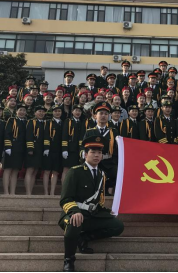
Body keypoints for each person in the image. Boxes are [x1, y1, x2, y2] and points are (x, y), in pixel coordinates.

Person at [59, 135, 124, 272]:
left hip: (91, 215)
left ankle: (84, 238)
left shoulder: (101, 174)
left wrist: (107, 212)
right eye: (93, 152)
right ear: (85, 154)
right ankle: (69, 260)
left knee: (117, 225)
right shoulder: (75, 172)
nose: (96, 155)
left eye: (99, 152)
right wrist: (75, 211)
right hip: (74, 212)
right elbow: (65, 198)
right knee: (74, 222)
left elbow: (97, 201)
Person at [83, 102, 119, 195]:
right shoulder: (90, 132)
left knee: (116, 172)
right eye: (101, 113)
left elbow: (117, 149)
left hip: (109, 163)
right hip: (94, 162)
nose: (103, 116)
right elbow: (83, 148)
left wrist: (107, 157)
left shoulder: (113, 132)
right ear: (95, 116)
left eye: (106, 114)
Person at [3, 103, 28, 195]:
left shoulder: (26, 122)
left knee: (15, 171)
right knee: (8, 170)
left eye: (24, 110)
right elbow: (7, 134)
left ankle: (12, 192)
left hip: (21, 149)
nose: (22, 112)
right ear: (16, 111)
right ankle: (6, 192)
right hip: (12, 148)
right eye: (20, 110)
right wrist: (8, 147)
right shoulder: (11, 120)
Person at [62, 105, 86, 185]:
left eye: (79, 111)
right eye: (76, 110)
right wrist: (64, 149)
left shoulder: (82, 122)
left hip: (77, 150)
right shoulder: (68, 121)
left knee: (76, 170)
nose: (78, 112)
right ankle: (64, 187)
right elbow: (64, 135)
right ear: (72, 112)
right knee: (66, 169)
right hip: (69, 149)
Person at [25, 106, 47, 196]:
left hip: (41, 149)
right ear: (35, 113)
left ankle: (30, 190)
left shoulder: (45, 123)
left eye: (43, 112)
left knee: (35, 171)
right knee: (30, 170)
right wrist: (30, 148)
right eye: (39, 111)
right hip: (33, 148)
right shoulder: (31, 122)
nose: (41, 113)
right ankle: (28, 192)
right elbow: (29, 136)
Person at [43, 105, 64, 196]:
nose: (57, 113)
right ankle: (45, 192)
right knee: (47, 171)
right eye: (55, 111)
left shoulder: (63, 123)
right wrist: (46, 148)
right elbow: (46, 135)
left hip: (59, 150)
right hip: (49, 149)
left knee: (55, 172)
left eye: (59, 111)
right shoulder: (48, 122)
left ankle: (52, 192)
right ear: (52, 112)